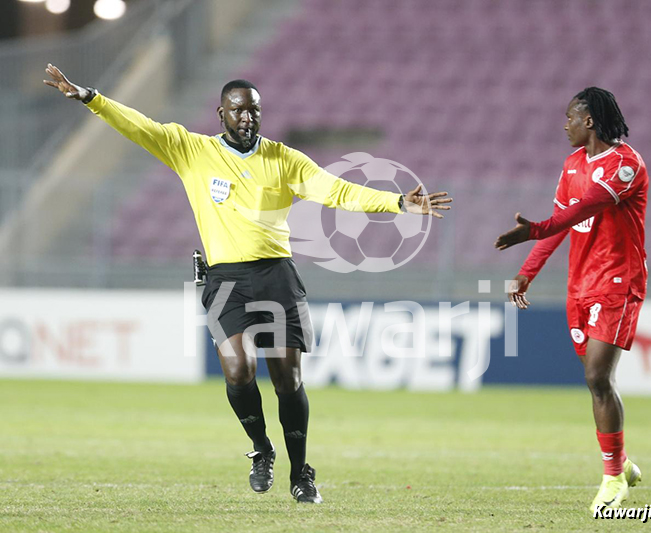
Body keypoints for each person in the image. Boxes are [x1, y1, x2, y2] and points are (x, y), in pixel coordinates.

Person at [44, 63, 452, 504]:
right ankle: (261, 449)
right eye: (237, 111)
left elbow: (335, 190)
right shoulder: (191, 150)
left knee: (287, 380)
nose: (247, 118)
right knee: (238, 370)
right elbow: (140, 127)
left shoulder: (284, 159)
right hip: (225, 279)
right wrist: (91, 98)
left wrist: (396, 202)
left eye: (254, 111)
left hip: (276, 274)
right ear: (221, 114)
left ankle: (301, 471)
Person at [495, 87, 647, 512]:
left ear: (590, 121)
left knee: (597, 378)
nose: (564, 125)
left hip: (618, 280)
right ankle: (622, 463)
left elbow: (586, 208)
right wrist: (526, 273)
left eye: (569, 118)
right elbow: (563, 225)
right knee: (596, 381)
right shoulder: (572, 164)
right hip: (579, 284)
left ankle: (612, 479)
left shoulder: (625, 164)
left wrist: (536, 228)